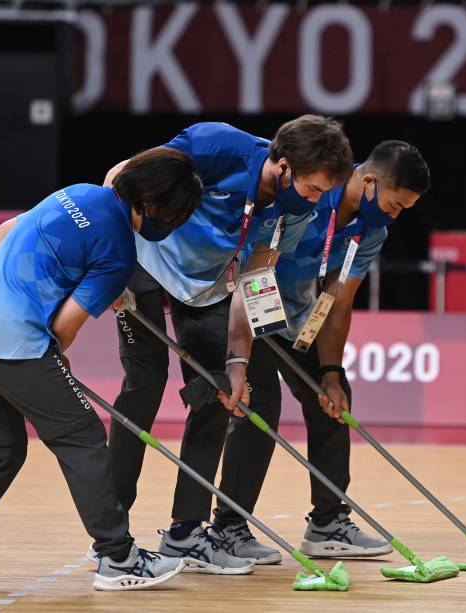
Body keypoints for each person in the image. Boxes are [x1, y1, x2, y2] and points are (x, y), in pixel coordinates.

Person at [0, 148, 203, 591]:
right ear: (159, 207)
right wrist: (48, 355)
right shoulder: (119, 251)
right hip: (12, 344)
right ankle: (118, 559)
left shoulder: (76, 192)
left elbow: (6, 232)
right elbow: (63, 328)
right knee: (82, 439)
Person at [103, 116, 354, 573]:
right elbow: (123, 177)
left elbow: (256, 282)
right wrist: (109, 261)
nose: (318, 201)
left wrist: (239, 360)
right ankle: (109, 531)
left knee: (220, 392)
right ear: (282, 166)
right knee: (145, 383)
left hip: (207, 289)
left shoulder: (294, 211)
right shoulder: (217, 146)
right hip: (142, 259)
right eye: (314, 189)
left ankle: (185, 534)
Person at [217, 141, 430, 559]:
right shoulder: (312, 193)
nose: (395, 215)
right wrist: (250, 340)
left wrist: (330, 370)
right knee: (261, 406)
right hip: (247, 304)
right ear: (368, 182)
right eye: (394, 204)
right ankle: (228, 529)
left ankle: (328, 524)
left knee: (333, 399)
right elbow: (255, 269)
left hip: (295, 317)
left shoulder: (372, 230)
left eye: (404, 209)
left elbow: (338, 300)